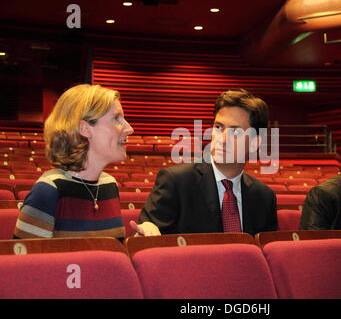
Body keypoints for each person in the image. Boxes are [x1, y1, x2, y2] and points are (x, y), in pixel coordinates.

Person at [130, 89, 278, 236]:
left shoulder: (264, 197)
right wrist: (148, 230)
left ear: (254, 143)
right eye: (219, 127)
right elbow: (149, 237)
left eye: (235, 132)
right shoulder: (176, 181)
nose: (222, 139)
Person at [14, 84, 134, 240]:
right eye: (116, 118)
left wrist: (136, 241)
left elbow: (107, 255)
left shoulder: (109, 184)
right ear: (85, 129)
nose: (130, 128)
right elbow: (27, 262)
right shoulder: (49, 190)